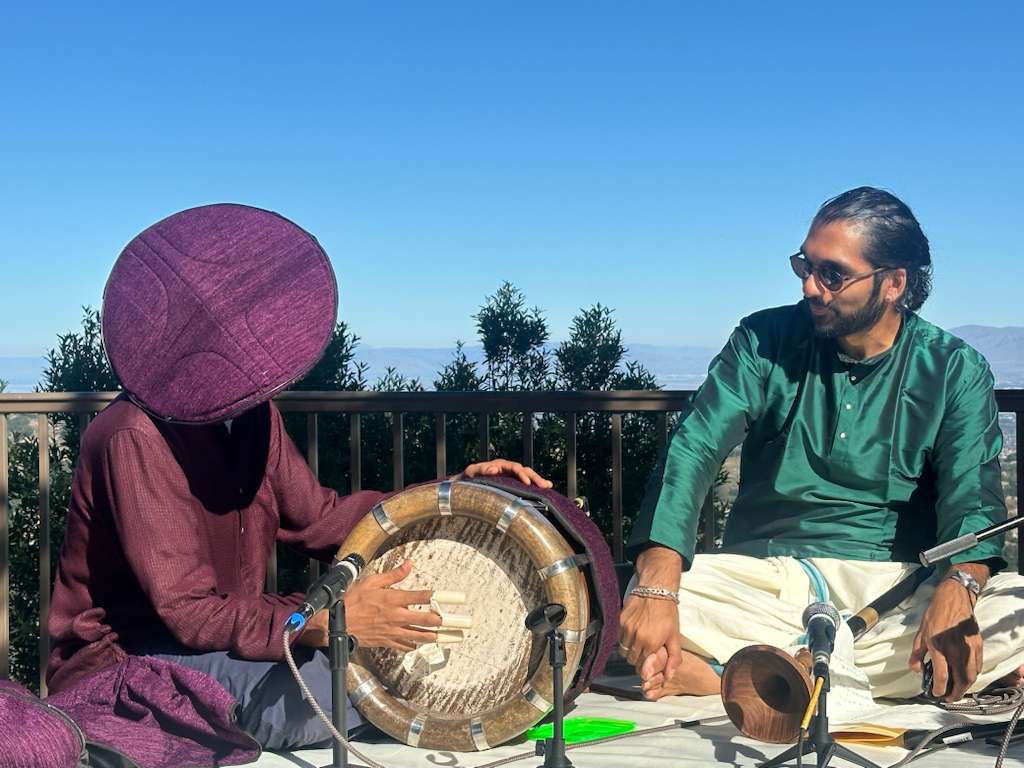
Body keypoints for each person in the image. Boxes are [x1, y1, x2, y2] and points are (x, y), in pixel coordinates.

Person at [46, 203, 551, 750]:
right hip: (130, 666)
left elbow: (323, 521)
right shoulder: (131, 436)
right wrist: (321, 623)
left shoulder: (252, 414)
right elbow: (188, 614)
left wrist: (453, 491)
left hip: (224, 642)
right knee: (350, 693)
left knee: (396, 678)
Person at [619, 187, 1024, 705]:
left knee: (1010, 612)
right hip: (768, 579)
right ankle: (828, 680)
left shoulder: (953, 369)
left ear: (894, 282)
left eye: (832, 273)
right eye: (805, 266)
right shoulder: (763, 339)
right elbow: (694, 446)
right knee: (643, 594)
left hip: (892, 586)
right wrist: (657, 585)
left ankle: (748, 680)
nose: (811, 287)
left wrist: (959, 588)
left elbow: (973, 500)